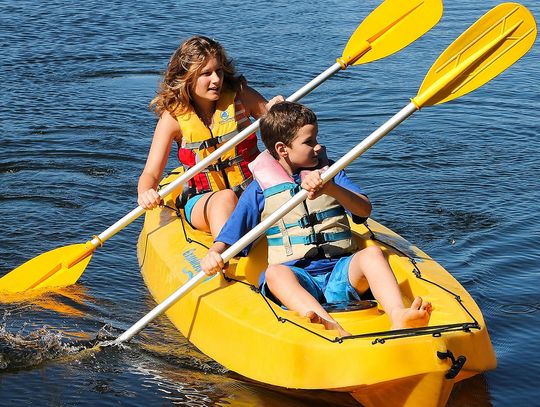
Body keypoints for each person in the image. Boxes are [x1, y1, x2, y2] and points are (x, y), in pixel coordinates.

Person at [200, 101, 432, 336]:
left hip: (341, 272)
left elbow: (364, 210)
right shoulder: (259, 188)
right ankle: (330, 326)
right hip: (298, 277)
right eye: (308, 142)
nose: (318, 147)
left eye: (316, 139)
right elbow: (232, 234)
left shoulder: (331, 172)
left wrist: (332, 189)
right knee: (274, 274)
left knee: (372, 254)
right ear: (282, 149)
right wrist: (214, 252)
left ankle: (398, 314)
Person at [138, 35, 281, 237]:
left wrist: (278, 110)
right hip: (204, 199)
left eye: (219, 71)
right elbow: (151, 173)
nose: (216, 79)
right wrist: (145, 193)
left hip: (252, 190)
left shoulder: (241, 97)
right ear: (187, 78)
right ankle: (227, 257)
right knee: (225, 199)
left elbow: (282, 130)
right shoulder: (173, 118)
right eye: (206, 73)